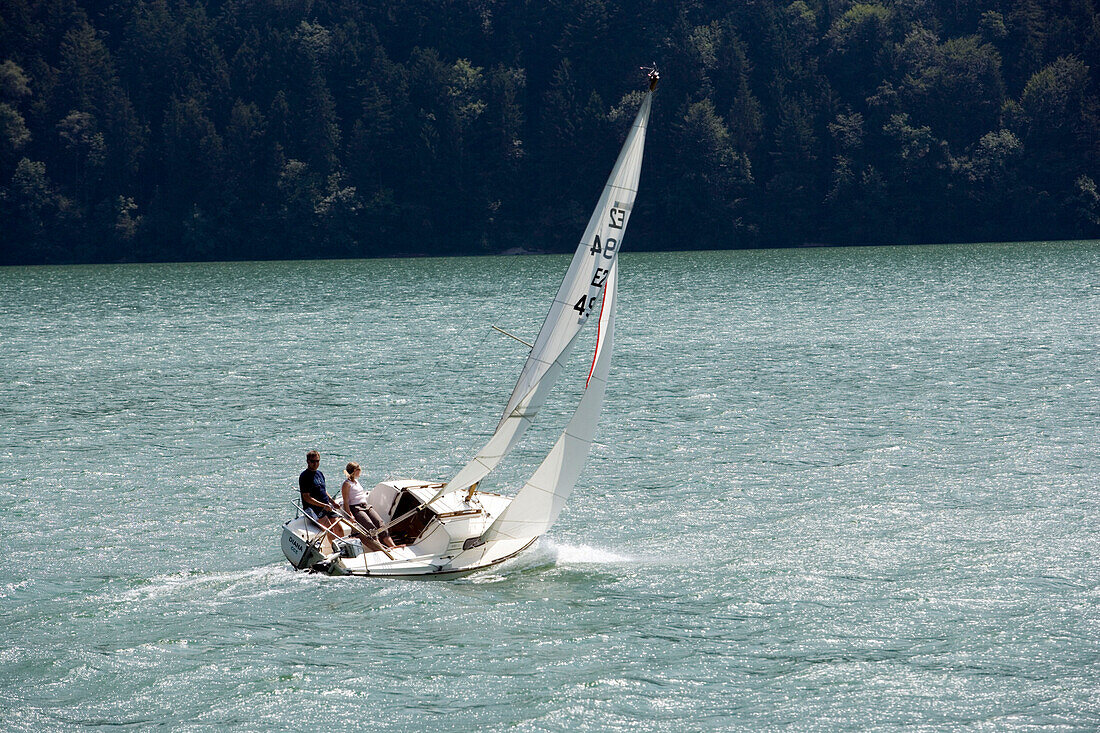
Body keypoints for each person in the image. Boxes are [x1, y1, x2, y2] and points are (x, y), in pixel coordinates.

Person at [341, 462, 397, 549]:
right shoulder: (347, 484)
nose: (360, 472)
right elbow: (346, 501)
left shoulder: (356, 481)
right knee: (370, 526)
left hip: (366, 506)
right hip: (356, 508)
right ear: (354, 471)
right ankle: (380, 547)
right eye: (359, 470)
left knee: (380, 523)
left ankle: (393, 546)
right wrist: (349, 515)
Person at [298, 450, 344, 539]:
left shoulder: (320, 474)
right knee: (331, 530)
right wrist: (324, 505)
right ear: (308, 461)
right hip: (314, 508)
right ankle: (336, 549)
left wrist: (332, 502)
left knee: (339, 529)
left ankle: (343, 548)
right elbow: (307, 498)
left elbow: (324, 491)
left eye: (317, 461)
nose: (315, 464)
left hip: (326, 506)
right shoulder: (304, 476)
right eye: (313, 461)